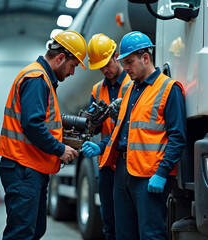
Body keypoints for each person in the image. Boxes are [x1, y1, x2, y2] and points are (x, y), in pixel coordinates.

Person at [81, 31, 187, 240]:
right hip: (123, 172)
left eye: (129, 62)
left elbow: (177, 137)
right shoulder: (129, 90)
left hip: (148, 176)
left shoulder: (168, 89)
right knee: (123, 234)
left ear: (145, 58)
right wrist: (101, 148)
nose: (125, 68)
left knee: (151, 234)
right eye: (124, 62)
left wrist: (162, 173)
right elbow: (122, 132)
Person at [0, 30, 87, 240]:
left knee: (34, 230)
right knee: (21, 233)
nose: (72, 72)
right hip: (23, 168)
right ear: (61, 57)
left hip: (30, 167)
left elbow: (40, 123)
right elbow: (32, 125)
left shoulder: (43, 79)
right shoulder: (37, 79)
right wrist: (59, 149)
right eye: (73, 66)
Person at [84, 33, 131, 240]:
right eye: (100, 67)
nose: (105, 70)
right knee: (109, 222)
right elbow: (92, 127)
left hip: (128, 161)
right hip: (106, 163)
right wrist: (92, 121)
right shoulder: (97, 89)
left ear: (116, 56)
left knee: (128, 221)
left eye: (107, 64)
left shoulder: (133, 82)